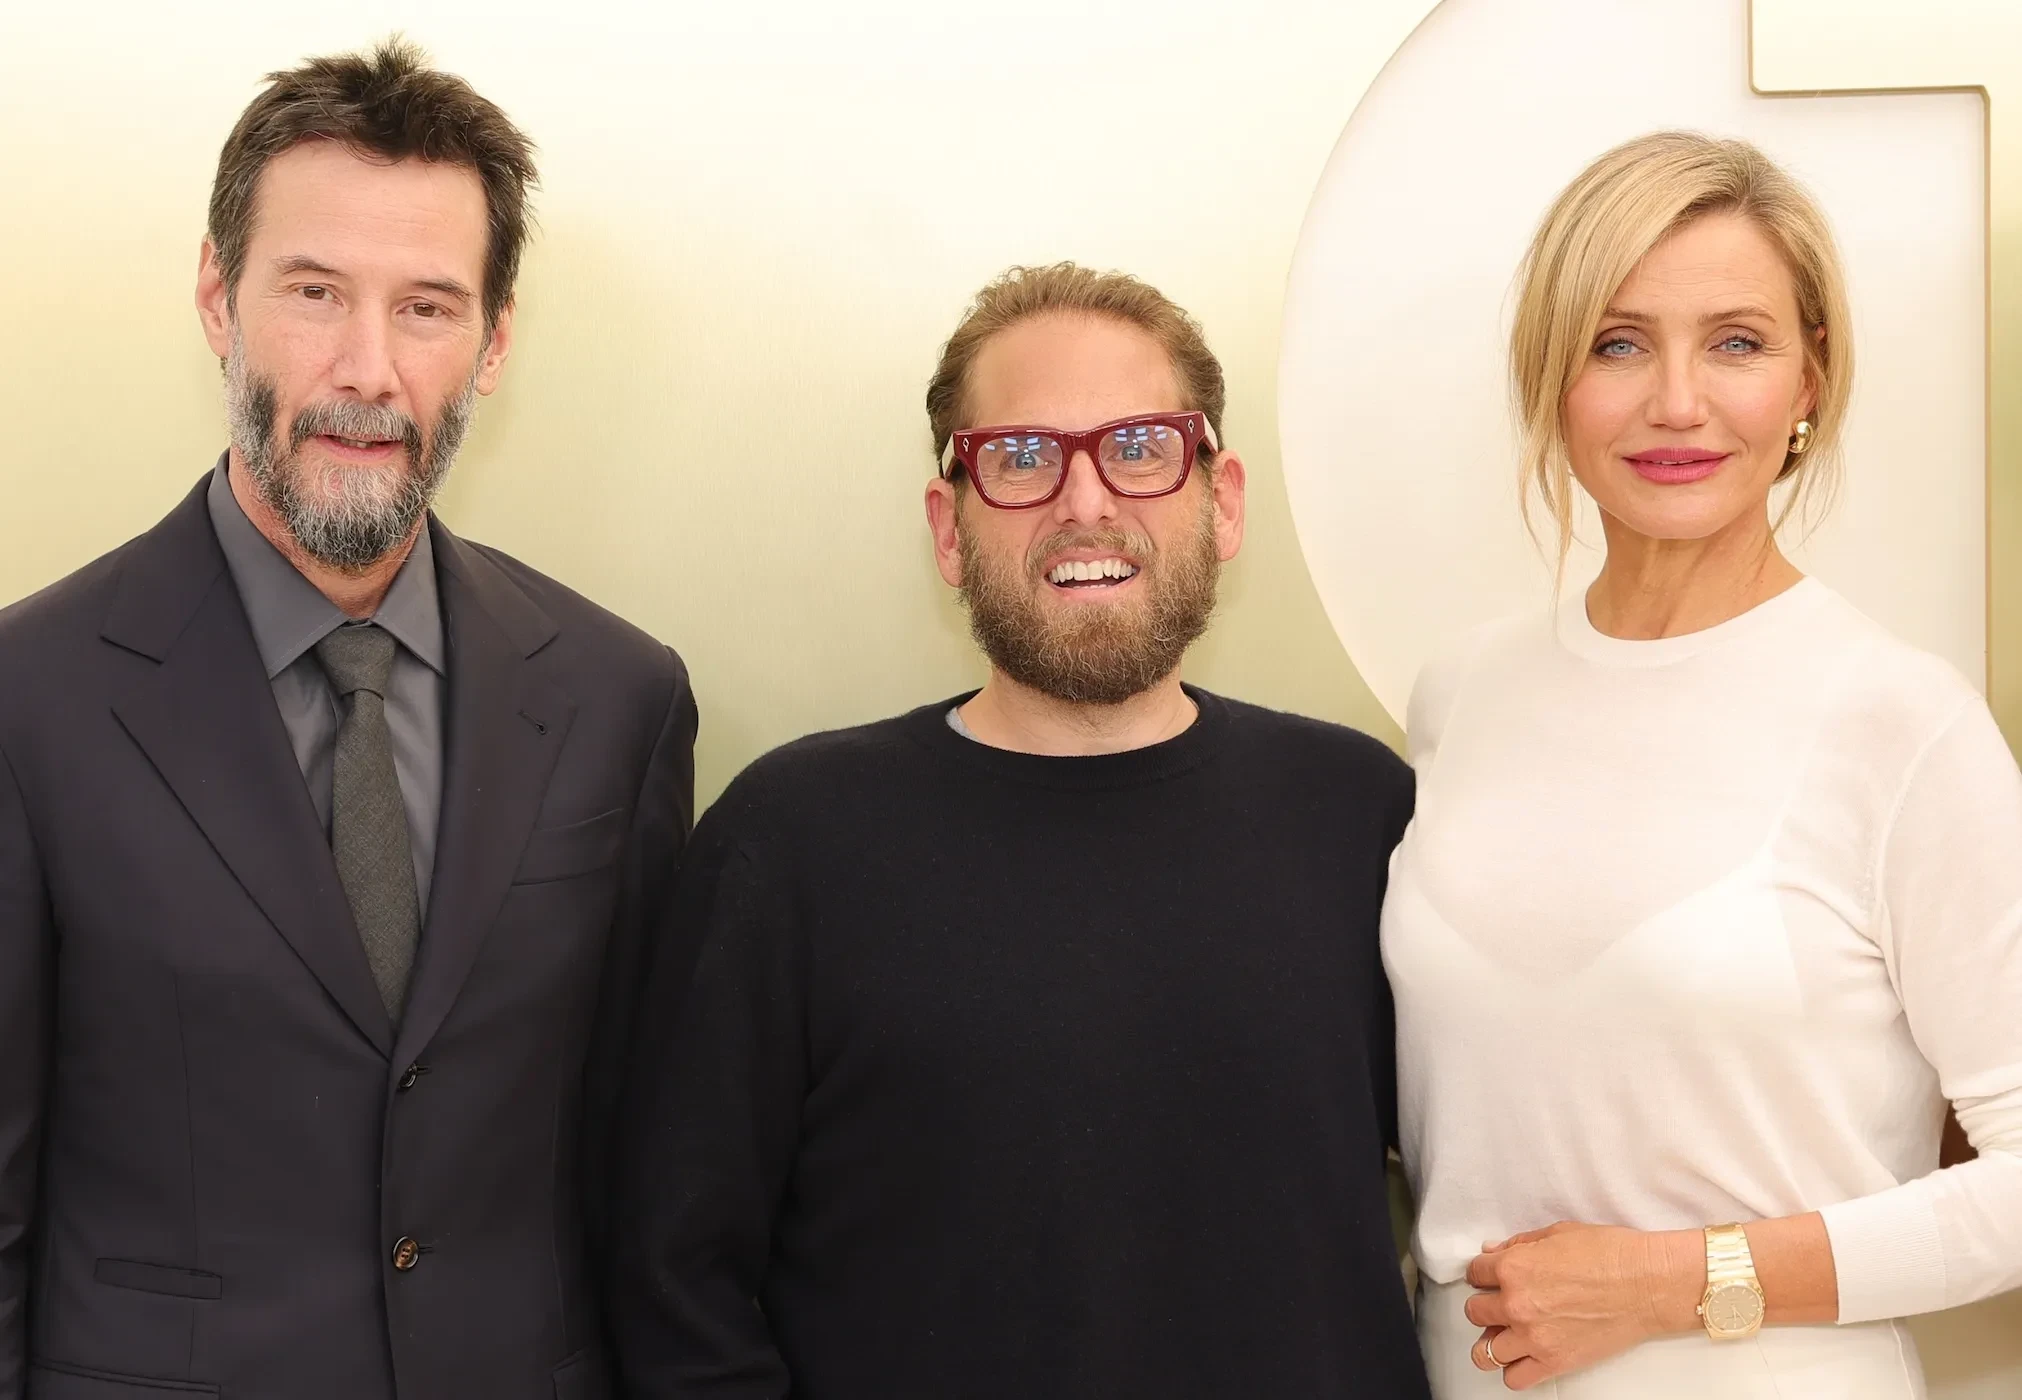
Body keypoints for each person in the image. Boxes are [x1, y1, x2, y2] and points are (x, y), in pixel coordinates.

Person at [0, 40, 695, 1400]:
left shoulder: (620, 697)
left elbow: (640, 1169)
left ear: (495, 342)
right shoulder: (29, 701)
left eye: (427, 308)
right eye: (314, 291)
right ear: (219, 296)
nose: (367, 369)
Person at [610, 262, 1427, 1399]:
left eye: (1139, 446)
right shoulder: (789, 845)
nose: (1085, 502)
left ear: (1224, 500)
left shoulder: (1362, 815)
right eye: (1023, 456)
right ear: (949, 528)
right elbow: (672, 1288)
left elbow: (1502, 1176)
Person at [1385, 130, 2022, 1398]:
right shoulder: (1464, 696)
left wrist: (1672, 1279)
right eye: (1618, 344)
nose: (1677, 402)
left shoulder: (1904, 722)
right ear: (1551, 378)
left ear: (1809, 377)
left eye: (1736, 341)